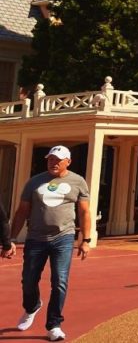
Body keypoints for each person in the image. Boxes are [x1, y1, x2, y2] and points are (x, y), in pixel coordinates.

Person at [10, 145, 91, 341]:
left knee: (60, 282)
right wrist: (10, 239)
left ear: (68, 162)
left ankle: (54, 325)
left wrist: (85, 239)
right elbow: (22, 211)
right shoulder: (34, 182)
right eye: (50, 159)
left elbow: (84, 212)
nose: (53, 163)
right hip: (36, 238)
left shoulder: (78, 181)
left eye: (58, 159)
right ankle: (32, 307)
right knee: (29, 280)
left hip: (63, 238)